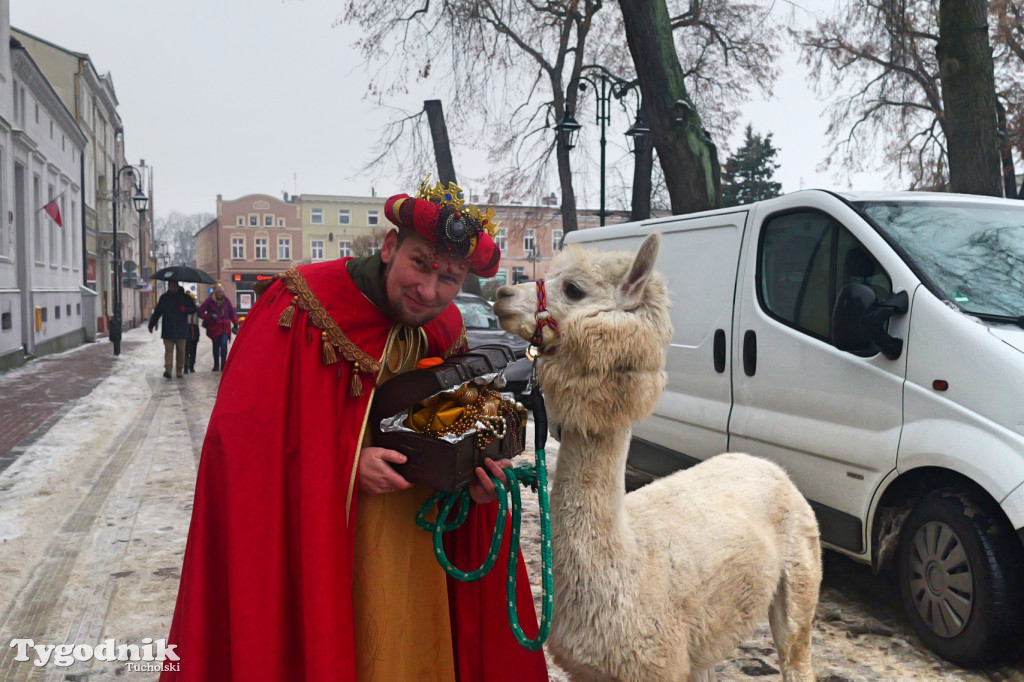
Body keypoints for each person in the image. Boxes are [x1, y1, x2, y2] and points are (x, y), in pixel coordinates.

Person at [162, 181, 547, 682]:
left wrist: (473, 481)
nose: (429, 290)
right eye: (420, 264)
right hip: (323, 547)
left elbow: (451, 428)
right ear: (390, 248)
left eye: (450, 278)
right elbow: (240, 443)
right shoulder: (303, 306)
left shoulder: (448, 327)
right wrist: (347, 463)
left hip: (417, 552)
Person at [148, 280, 197, 379]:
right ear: (168, 286)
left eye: (174, 286)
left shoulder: (185, 298)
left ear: (178, 286)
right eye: (171, 286)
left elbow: (193, 308)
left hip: (182, 329)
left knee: (181, 351)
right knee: (168, 351)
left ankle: (179, 370)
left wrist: (185, 309)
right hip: (168, 329)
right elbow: (157, 312)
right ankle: (168, 371)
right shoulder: (164, 298)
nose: (173, 288)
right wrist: (151, 324)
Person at [197, 283, 238, 372]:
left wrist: (235, 323)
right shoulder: (210, 301)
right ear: (215, 292)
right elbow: (200, 312)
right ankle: (216, 365)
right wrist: (209, 315)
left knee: (224, 344)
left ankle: (223, 365)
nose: (220, 293)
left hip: (225, 328)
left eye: (222, 292)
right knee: (216, 346)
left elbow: (231, 313)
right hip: (214, 328)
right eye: (219, 291)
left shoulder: (226, 301)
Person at [184, 294, 200, 374]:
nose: (192, 301)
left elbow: (202, 315)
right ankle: (186, 366)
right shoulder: (184, 308)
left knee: (193, 349)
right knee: (187, 350)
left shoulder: (196, 309)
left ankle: (192, 366)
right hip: (187, 329)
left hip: (195, 329)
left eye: (193, 299)